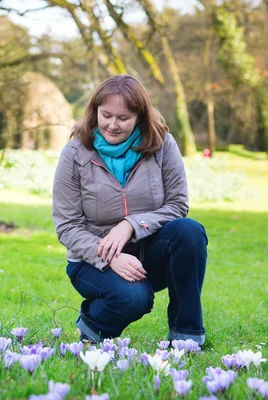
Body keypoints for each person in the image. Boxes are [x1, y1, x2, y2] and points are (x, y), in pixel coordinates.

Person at [52, 75, 208, 345]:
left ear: (140, 116)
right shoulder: (74, 154)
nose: (112, 125)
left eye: (123, 118)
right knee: (134, 298)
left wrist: (131, 225)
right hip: (91, 261)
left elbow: (178, 205)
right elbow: (67, 226)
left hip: (149, 254)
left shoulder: (162, 145)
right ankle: (93, 325)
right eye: (106, 115)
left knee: (190, 231)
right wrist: (109, 256)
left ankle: (186, 336)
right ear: (95, 111)